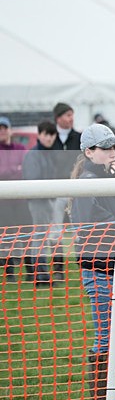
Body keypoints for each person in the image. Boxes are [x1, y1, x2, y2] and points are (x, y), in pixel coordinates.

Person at [68, 124, 115, 400]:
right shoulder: (86, 182)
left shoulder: (114, 175)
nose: (113, 153)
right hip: (98, 270)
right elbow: (94, 225)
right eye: (106, 148)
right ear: (89, 152)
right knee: (106, 337)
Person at [21, 120, 59, 285]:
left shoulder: (48, 154)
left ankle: (41, 274)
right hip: (38, 201)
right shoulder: (33, 154)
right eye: (46, 134)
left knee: (43, 237)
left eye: (52, 134)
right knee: (40, 238)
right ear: (40, 135)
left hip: (47, 200)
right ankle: (40, 275)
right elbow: (32, 179)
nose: (49, 138)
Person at [51, 102, 83, 281]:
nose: (71, 118)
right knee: (55, 232)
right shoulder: (50, 139)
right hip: (56, 191)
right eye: (67, 115)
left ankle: (84, 264)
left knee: (79, 230)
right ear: (58, 118)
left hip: (75, 190)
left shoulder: (79, 138)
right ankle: (58, 267)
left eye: (72, 114)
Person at [0, 116, 31, 282]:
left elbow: (25, 169)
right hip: (2, 203)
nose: (3, 131)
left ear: (9, 130)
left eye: (5, 128)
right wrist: (14, 169)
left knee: (26, 236)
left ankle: (30, 271)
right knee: (6, 238)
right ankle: (9, 272)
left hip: (20, 201)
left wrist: (9, 171)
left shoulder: (20, 148)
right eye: (0, 129)